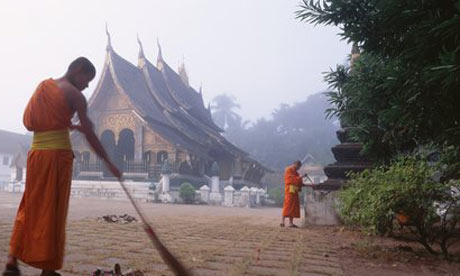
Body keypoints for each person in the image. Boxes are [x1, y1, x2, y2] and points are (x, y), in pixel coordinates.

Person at [3, 57, 121, 276]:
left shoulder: (44, 87)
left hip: (36, 155)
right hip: (56, 159)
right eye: (87, 79)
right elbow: (90, 134)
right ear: (78, 70)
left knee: (29, 206)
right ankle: (48, 270)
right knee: (53, 212)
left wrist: (66, 125)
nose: (87, 86)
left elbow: (29, 122)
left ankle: (12, 259)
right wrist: (109, 162)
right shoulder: (75, 95)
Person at [280, 160, 309, 228]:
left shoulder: (296, 172)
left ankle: (291, 223)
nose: (299, 168)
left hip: (294, 190)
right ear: (295, 164)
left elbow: (298, 182)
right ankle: (282, 221)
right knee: (287, 204)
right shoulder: (288, 169)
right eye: (298, 167)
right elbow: (291, 180)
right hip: (289, 190)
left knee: (293, 206)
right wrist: (302, 177)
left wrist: (302, 184)